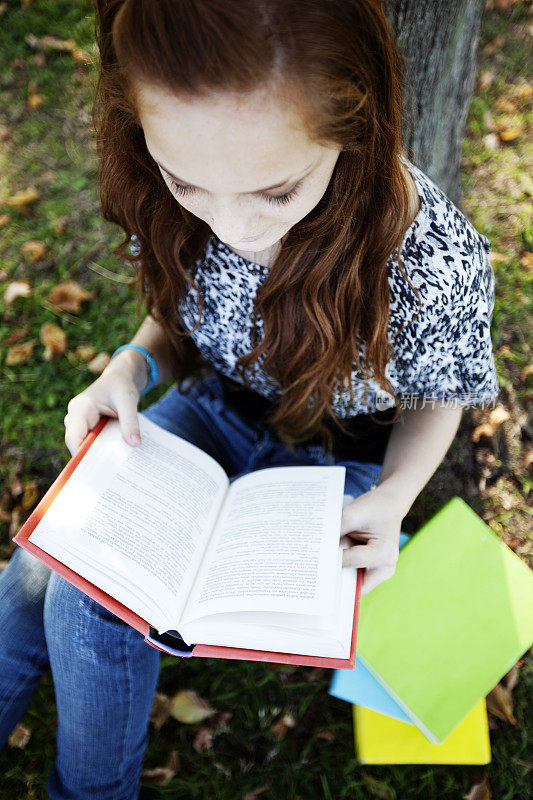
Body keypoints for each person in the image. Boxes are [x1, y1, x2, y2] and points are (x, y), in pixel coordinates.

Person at [0, 1, 499, 797]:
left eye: (275, 191)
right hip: (214, 410)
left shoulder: (430, 256)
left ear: (353, 123)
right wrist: (130, 365)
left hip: (342, 464)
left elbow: (441, 396)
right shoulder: (170, 174)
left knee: (83, 595)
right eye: (186, 182)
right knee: (57, 562)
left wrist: (397, 496)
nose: (231, 227)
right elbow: (179, 306)